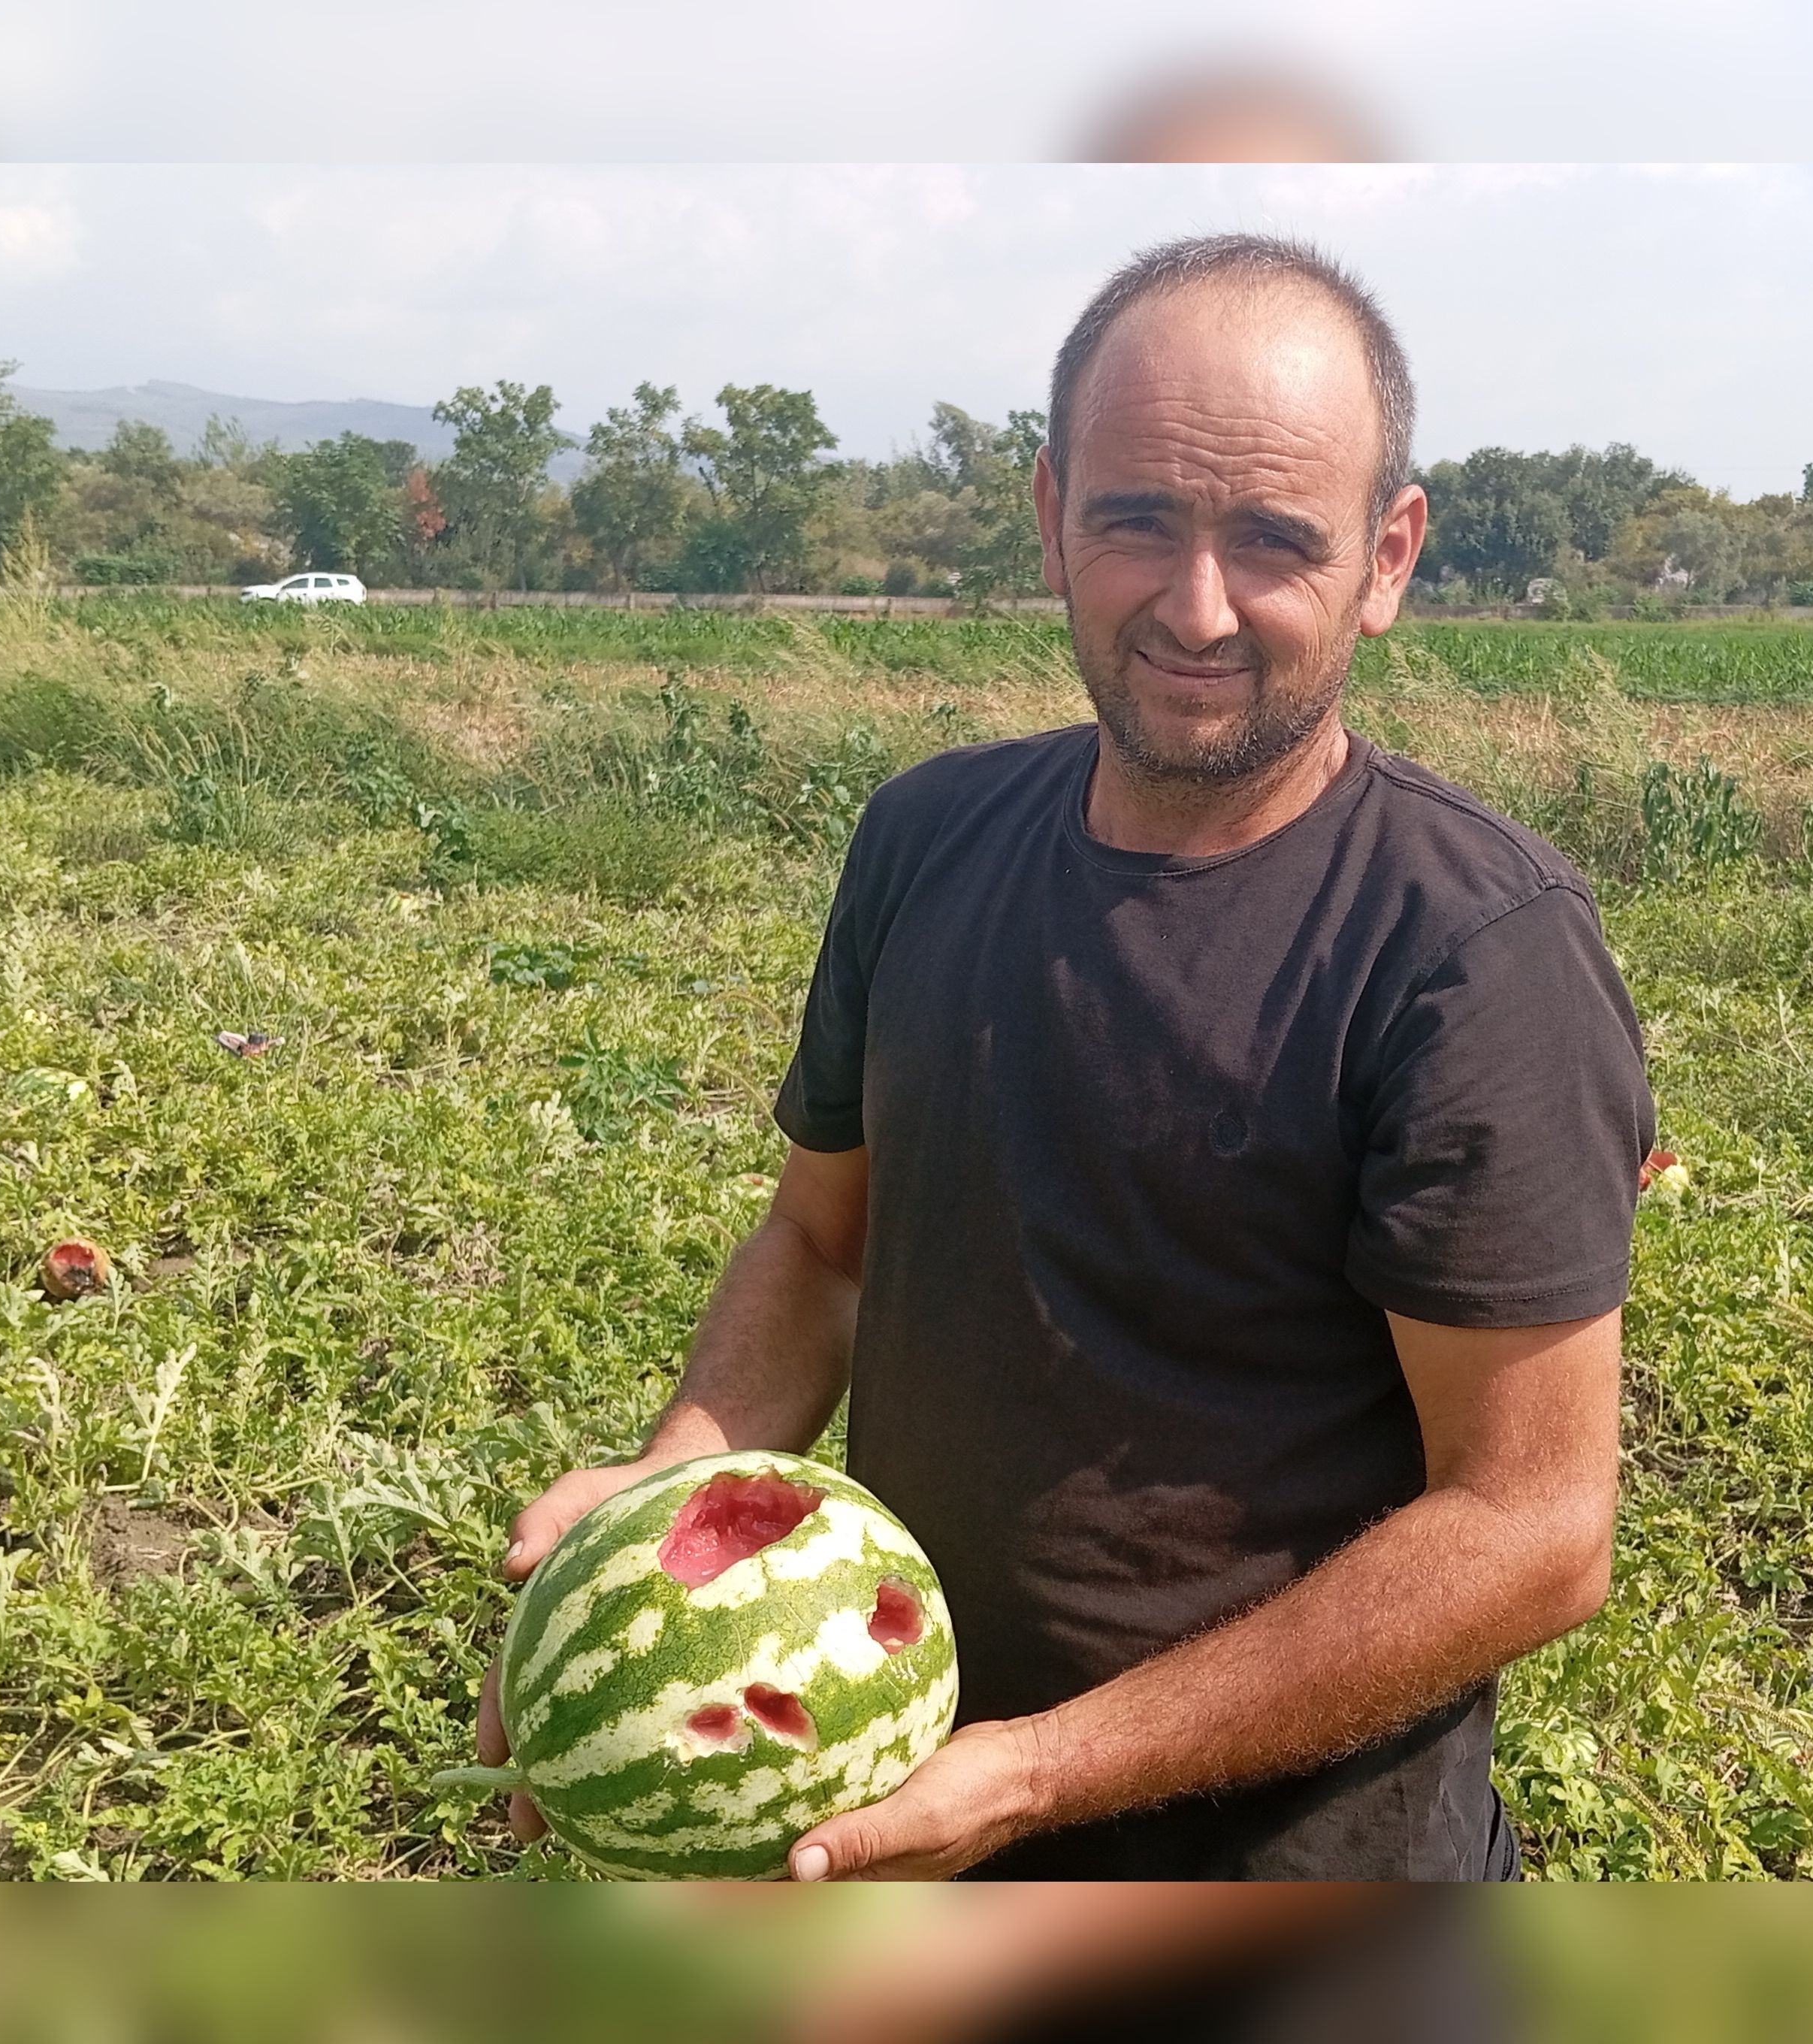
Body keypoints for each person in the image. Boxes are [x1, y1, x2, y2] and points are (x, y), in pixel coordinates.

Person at [476, 232, 1655, 1880]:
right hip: (900, 1814)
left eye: (1272, 540)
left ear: (1387, 559)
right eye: (1136, 521)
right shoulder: (928, 839)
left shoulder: (1470, 950)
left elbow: (1530, 1531)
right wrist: (682, 1485)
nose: (1196, 604)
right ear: (1048, 517)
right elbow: (823, 1247)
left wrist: (1033, 1774)